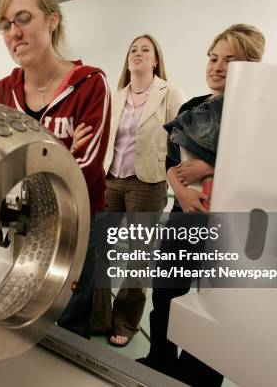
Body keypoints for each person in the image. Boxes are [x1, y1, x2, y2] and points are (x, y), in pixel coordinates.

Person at [138, 23, 265, 386]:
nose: (217, 67)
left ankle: (196, 377)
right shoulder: (193, 107)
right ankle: (159, 358)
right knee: (165, 293)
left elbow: (264, 165)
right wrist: (179, 190)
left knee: (217, 306)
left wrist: (214, 164)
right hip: (184, 215)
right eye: (213, 58)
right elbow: (169, 162)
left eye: (230, 60)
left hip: (231, 224)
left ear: (252, 66)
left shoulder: (257, 112)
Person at [0, 0, 110, 338]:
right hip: (23, 226)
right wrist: (61, 156)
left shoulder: (90, 83)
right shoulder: (2, 91)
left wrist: (25, 164)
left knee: (72, 319)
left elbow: (85, 171)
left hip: (81, 223)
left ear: (52, 20)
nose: (15, 33)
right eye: (6, 25)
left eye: (24, 18)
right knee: (21, 314)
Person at [92, 35, 185, 347]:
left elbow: (180, 139)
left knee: (138, 256)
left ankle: (125, 322)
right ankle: (99, 316)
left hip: (147, 182)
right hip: (110, 180)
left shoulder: (169, 93)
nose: (138, 54)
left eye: (146, 49)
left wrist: (177, 177)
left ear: (156, 59)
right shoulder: (116, 95)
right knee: (98, 249)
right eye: (133, 49)